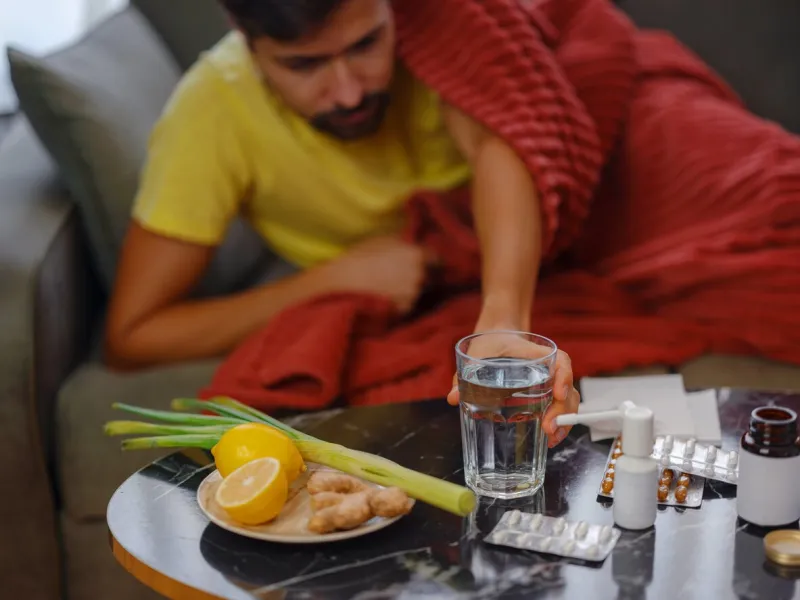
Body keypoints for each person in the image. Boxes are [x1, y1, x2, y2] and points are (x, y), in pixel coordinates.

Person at [104, 0, 579, 446]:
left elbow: (501, 144)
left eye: (366, 44)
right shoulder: (209, 112)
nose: (350, 92)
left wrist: (501, 323)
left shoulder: (441, 25)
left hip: (535, 260)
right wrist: (330, 281)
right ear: (248, 44)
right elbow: (133, 335)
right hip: (406, 291)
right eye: (303, 65)